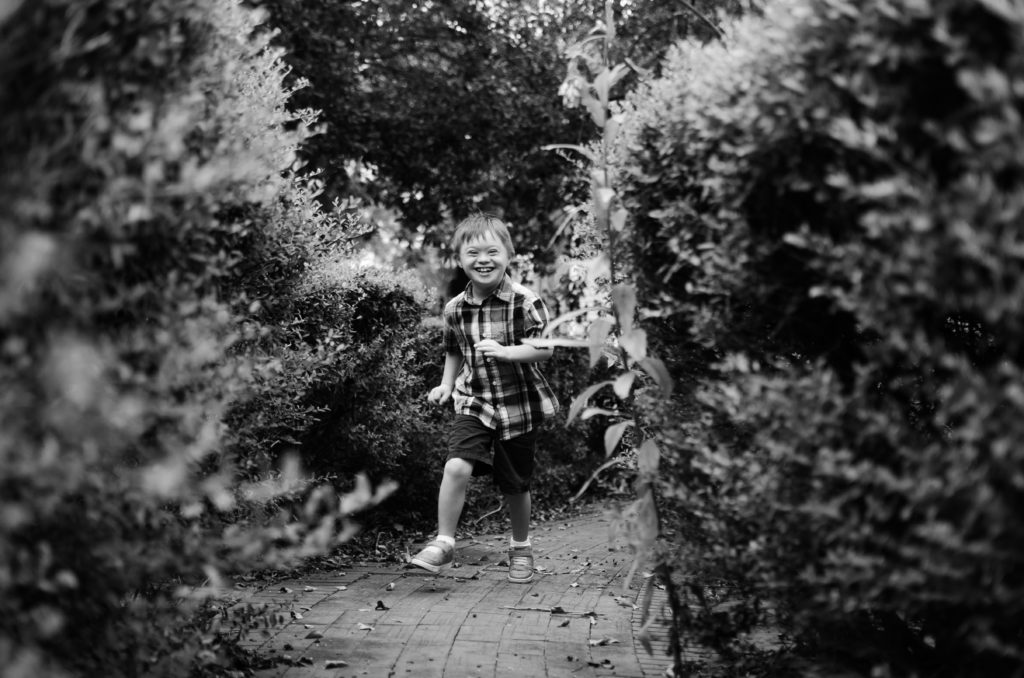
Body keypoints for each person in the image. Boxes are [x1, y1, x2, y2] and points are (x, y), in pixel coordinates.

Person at [410, 213, 559, 583]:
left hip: (519, 404)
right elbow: (454, 349)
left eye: (492, 250)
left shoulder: (526, 301)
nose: (483, 259)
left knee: (515, 484)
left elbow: (545, 349)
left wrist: (509, 352)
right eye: (473, 252)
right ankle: (444, 543)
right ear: (460, 259)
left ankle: (520, 547)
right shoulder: (455, 308)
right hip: (473, 399)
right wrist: (446, 385)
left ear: (508, 254)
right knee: (456, 466)